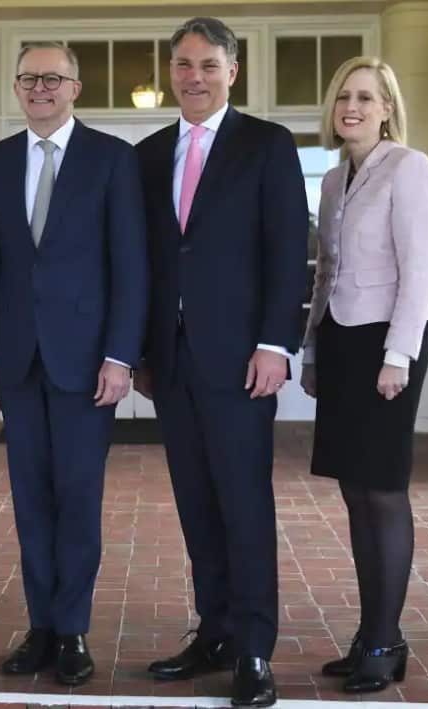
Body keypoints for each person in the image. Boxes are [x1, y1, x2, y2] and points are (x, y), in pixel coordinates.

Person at [133, 17, 307, 708]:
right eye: (182, 65)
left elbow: (287, 250)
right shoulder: (146, 156)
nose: (194, 77)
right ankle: (216, 630)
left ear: (233, 72)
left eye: (207, 65)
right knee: (196, 504)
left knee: (244, 503)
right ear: (170, 71)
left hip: (241, 361)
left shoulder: (266, 145)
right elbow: (147, 262)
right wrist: (144, 351)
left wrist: (276, 343)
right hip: (171, 363)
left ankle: (255, 649)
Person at [0, 41, 147, 687]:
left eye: (53, 77)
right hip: (16, 360)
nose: (40, 87)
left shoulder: (111, 159)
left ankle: (72, 629)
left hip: (85, 364)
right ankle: (40, 625)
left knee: (77, 497)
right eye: (29, 78)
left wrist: (120, 355)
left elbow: (130, 266)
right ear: (17, 88)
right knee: (29, 501)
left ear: (75, 87)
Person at [299, 56, 428, 694]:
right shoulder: (333, 180)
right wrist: (311, 352)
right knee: (355, 492)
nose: (350, 107)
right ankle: (369, 635)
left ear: (387, 109)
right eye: (343, 98)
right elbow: (325, 273)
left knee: (383, 491)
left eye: (365, 97)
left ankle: (386, 639)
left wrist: (397, 356)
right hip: (341, 342)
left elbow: (420, 273)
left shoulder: (410, 170)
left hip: (387, 344)